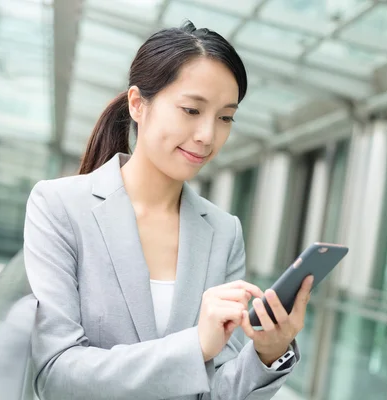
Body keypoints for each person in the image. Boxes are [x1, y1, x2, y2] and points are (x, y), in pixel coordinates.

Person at [23, 20, 314, 400]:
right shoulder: (60, 206)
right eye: (192, 110)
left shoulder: (224, 232)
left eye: (225, 117)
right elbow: (56, 374)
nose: (208, 136)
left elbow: (217, 390)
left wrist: (267, 352)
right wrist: (195, 348)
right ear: (138, 104)